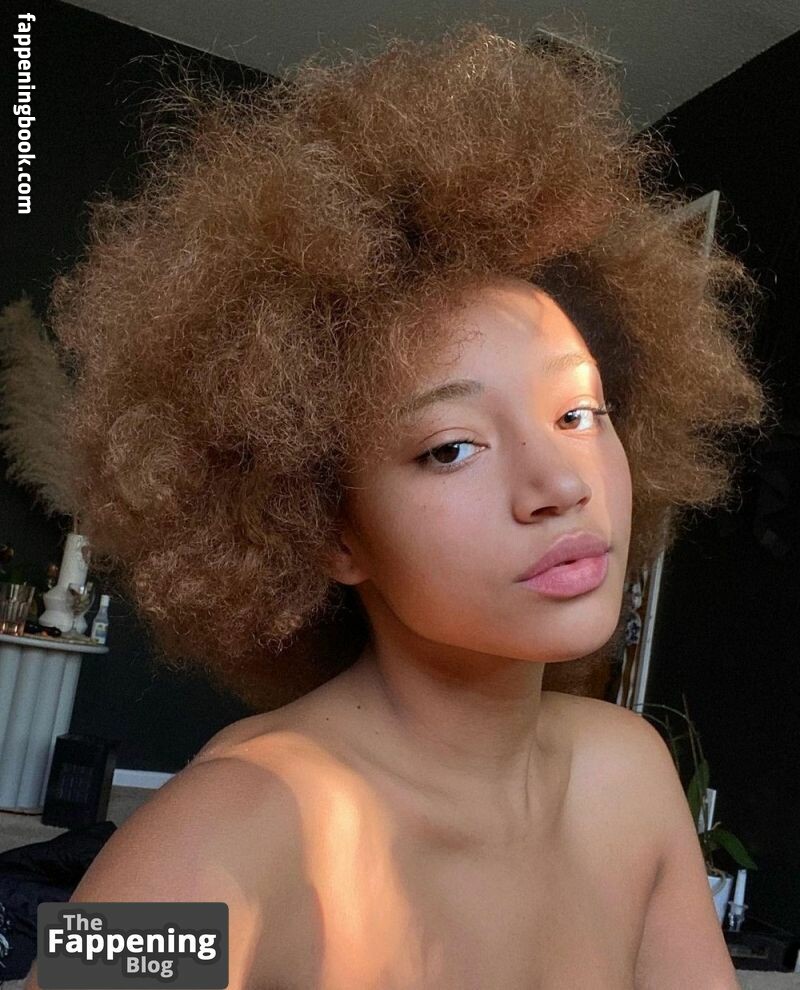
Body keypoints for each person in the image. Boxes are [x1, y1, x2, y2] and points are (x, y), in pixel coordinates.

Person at [26, 21, 768, 989]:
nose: (560, 484)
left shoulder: (628, 773)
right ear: (329, 530)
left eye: (578, 412)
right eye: (450, 448)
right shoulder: (217, 838)